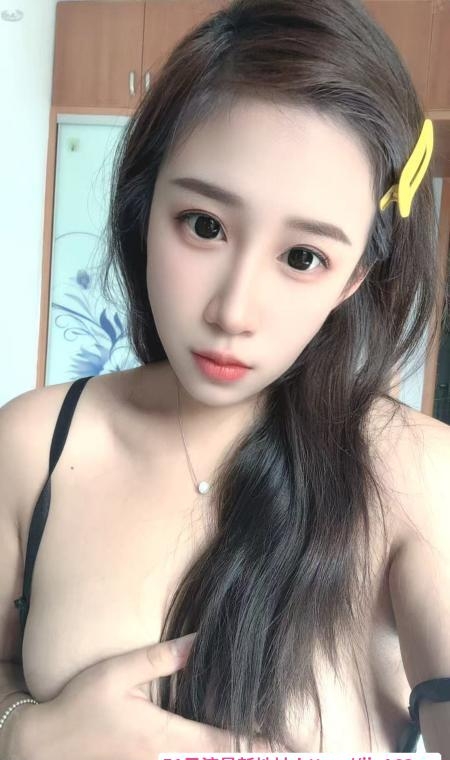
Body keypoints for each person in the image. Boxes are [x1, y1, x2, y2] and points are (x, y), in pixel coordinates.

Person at [0, 0, 449, 756]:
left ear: (352, 279)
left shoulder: (420, 474)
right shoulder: (34, 445)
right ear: (145, 207)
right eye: (204, 225)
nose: (233, 311)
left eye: (302, 257)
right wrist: (21, 730)